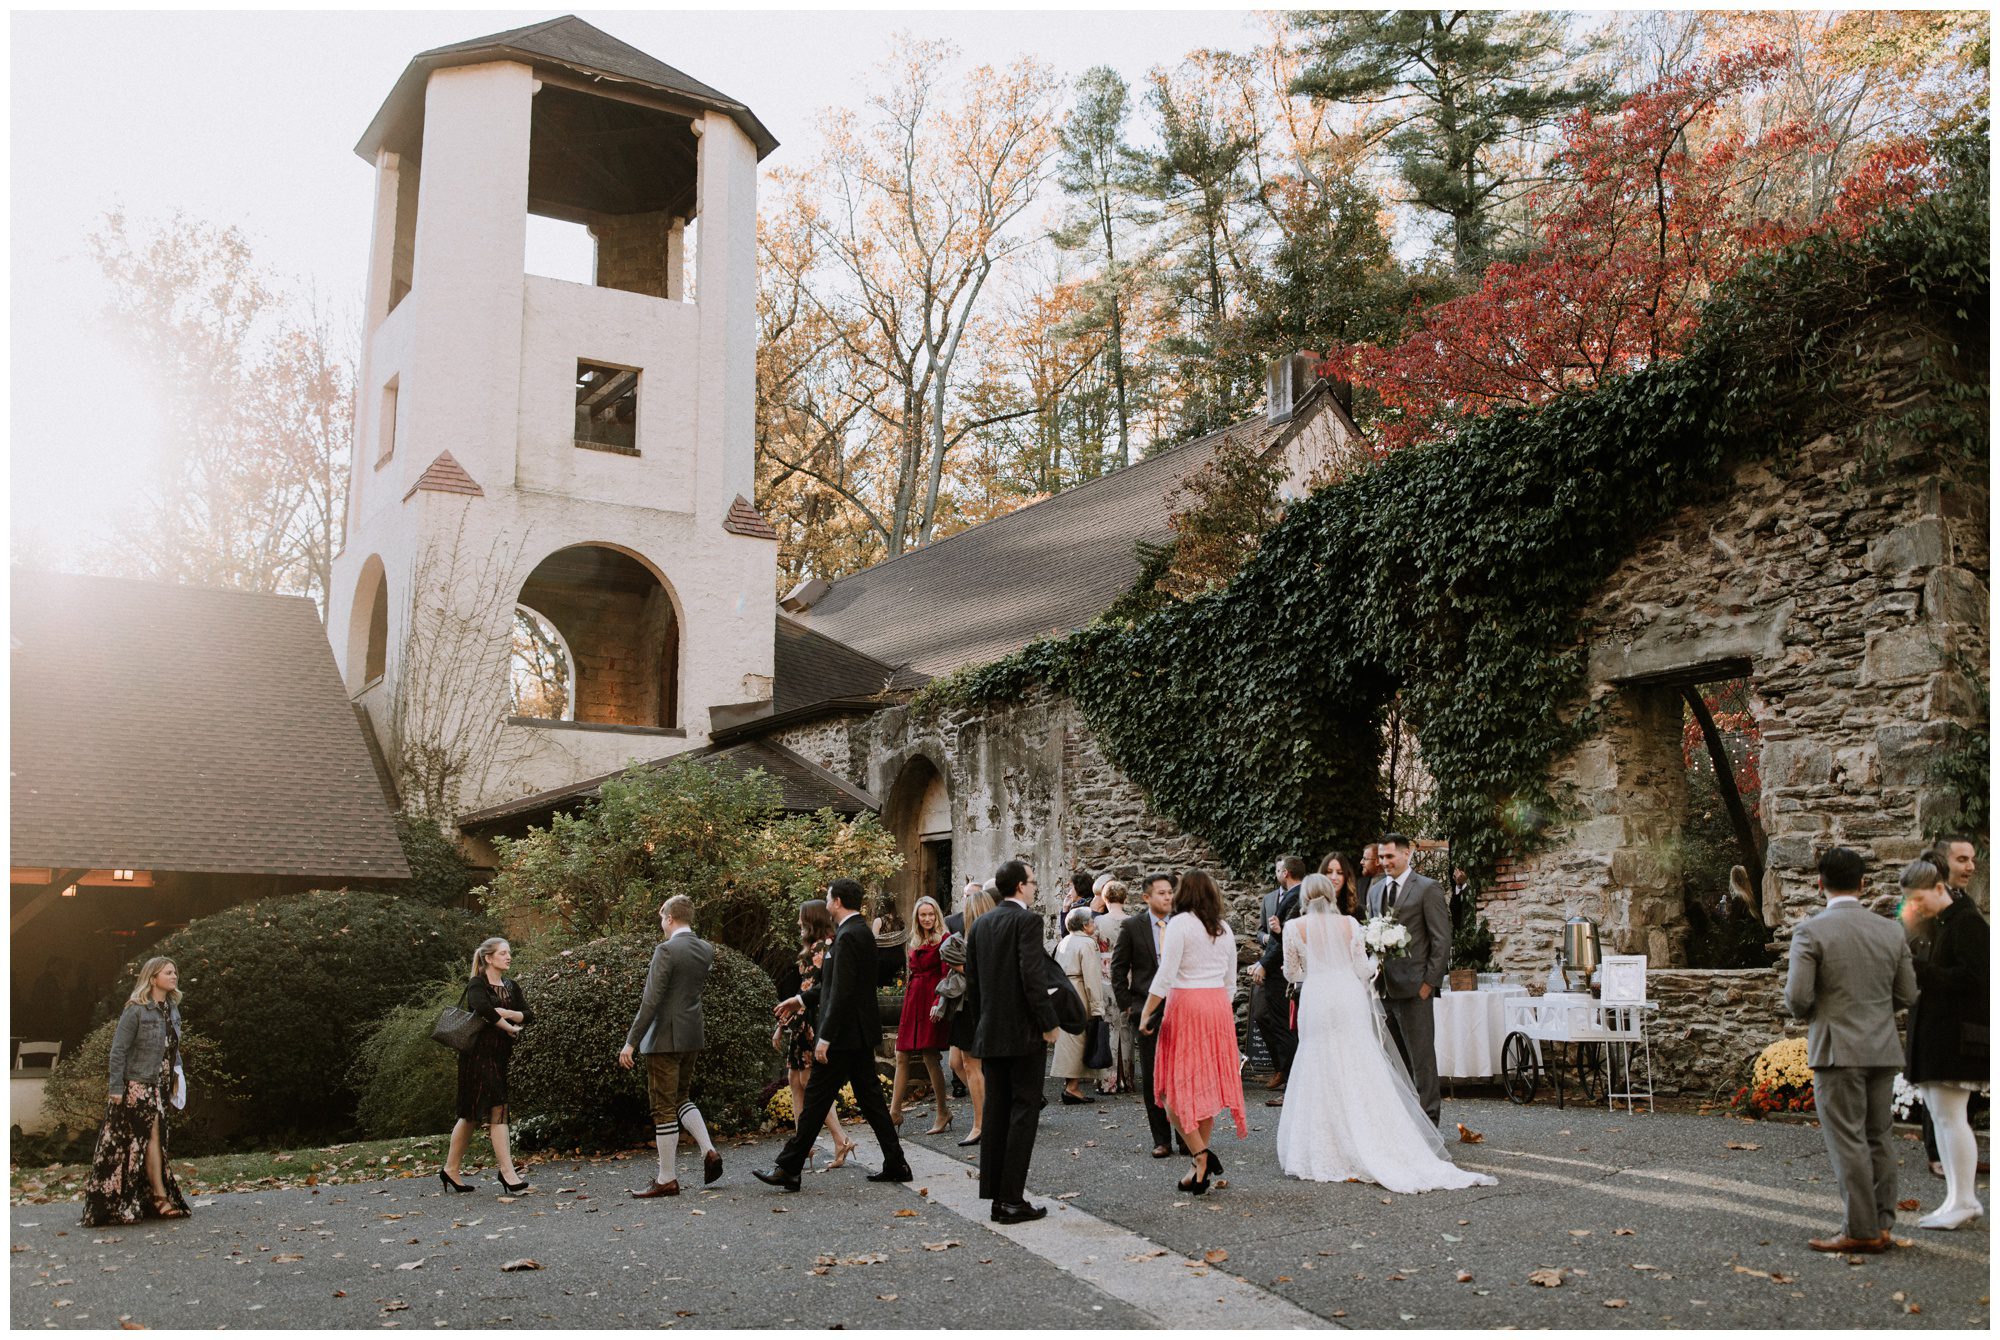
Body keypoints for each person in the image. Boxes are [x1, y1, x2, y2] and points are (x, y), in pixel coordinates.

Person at [1275, 875, 1497, 1192]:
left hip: (1317, 997)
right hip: (1348, 996)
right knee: (1357, 1060)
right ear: (1330, 895)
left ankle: (1327, 1144)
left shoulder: (1294, 929)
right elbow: (1362, 971)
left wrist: (1313, 969)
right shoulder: (1350, 925)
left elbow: (1291, 972)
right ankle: (1373, 1135)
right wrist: (1378, 956)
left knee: (1318, 1061)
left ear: (1306, 899)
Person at [1784, 847, 1917, 1254]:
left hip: (1836, 1050)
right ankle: (1882, 1224)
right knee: (1879, 1136)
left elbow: (1797, 998)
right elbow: (1908, 993)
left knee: (1848, 1140)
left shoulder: (1811, 931)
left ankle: (1860, 1230)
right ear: (1863, 884)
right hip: (1882, 1047)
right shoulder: (1892, 931)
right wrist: (1875, 1014)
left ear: (1819, 883)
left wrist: (1824, 1013)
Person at [756, 879, 912, 1193]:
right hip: (854, 1034)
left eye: (828, 897)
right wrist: (798, 1000)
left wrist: (824, 1037)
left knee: (816, 1100)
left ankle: (789, 1167)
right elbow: (830, 984)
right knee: (869, 1101)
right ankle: (896, 1163)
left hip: (844, 1035)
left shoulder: (850, 935)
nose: (826, 901)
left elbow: (842, 991)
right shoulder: (854, 932)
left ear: (837, 901)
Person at [1138, 869, 1247, 1196]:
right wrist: (1217, 1009)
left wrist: (1146, 1013)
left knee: (1172, 1090)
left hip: (1186, 1005)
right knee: (1208, 1087)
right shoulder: (1224, 928)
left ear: (1183, 893)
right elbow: (1231, 982)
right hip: (1217, 1007)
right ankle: (1199, 1166)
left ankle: (1200, 1155)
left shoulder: (1180, 924)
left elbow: (1165, 975)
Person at [964, 858, 1060, 1224]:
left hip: (990, 1031)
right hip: (1022, 1034)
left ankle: (996, 1197)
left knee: (996, 1113)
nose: (1035, 888)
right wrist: (1048, 1023)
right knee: (1023, 1113)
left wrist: (981, 1026)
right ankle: (1013, 1200)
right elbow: (1031, 977)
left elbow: (973, 985)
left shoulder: (982, 923)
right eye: (1033, 882)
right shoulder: (1027, 921)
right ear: (1020, 886)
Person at [1898, 858, 1988, 1229]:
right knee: (1941, 1117)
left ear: (1939, 889)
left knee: (1952, 1121)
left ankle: (1965, 1200)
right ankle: (1955, 1197)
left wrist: (1923, 970)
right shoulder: (1943, 924)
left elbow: (1978, 978)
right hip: (1938, 1036)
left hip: (1956, 1039)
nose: (1915, 907)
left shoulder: (1966, 923)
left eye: (1919, 899)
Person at [618, 896, 722, 1197]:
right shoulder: (706, 949)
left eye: (662, 918)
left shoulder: (666, 950)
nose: (661, 923)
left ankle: (666, 1178)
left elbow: (651, 1001)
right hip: (692, 1035)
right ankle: (708, 1150)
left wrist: (630, 1042)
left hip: (664, 1037)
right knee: (681, 1098)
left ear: (670, 918)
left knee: (663, 1107)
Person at [81, 957, 191, 1226]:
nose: (174, 976)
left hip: (161, 1084)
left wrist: (177, 1074)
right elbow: (118, 1051)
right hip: (138, 1085)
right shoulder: (136, 1010)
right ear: (153, 978)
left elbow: (171, 1047)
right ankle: (159, 1197)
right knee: (151, 1136)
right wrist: (116, 1088)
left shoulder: (172, 1009)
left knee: (148, 1141)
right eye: (168, 972)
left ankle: (145, 1197)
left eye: (175, 972)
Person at [1368, 834, 1450, 1126]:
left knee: (1422, 1060)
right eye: (1381, 857)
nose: (1384, 862)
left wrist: (1429, 983)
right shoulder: (1375, 890)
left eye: (1390, 856)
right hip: (1385, 988)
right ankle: (1405, 1124)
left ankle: (1430, 1123)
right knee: (1396, 1061)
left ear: (1406, 854)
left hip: (1417, 989)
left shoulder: (1427, 888)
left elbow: (1441, 940)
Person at [442, 938, 533, 1194]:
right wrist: (509, 1025)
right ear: (489, 958)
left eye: (509, 953)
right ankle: (508, 1173)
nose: (509, 957)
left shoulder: (511, 986)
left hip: (499, 1057)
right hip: (477, 1058)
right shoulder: (477, 983)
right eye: (504, 953)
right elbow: (482, 1008)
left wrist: (509, 1014)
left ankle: (450, 1169)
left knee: (470, 1115)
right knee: (498, 1108)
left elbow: (528, 1013)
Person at [773, 900, 856, 1170]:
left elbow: (816, 989)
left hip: (812, 1019)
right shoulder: (813, 948)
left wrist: (790, 1021)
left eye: (801, 918)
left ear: (811, 920)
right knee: (794, 1080)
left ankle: (840, 1138)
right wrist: (783, 1024)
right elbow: (803, 988)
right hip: (800, 1019)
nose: (798, 923)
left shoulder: (824, 947)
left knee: (809, 1082)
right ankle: (802, 1146)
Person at [1112, 873, 1184, 1159]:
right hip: (1146, 1010)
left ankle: (1186, 1137)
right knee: (1155, 1077)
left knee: (1180, 1076)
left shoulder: (1182, 923)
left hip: (1181, 1007)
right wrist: (1129, 1007)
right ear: (1146, 897)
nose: (1168, 897)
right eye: (1162, 893)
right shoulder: (1132, 926)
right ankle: (1162, 1140)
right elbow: (1118, 969)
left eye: (1170, 892)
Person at [891, 895, 954, 1134]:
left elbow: (947, 975)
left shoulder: (945, 939)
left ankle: (942, 1111)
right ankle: (894, 1113)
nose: (927, 918)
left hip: (932, 998)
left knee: (930, 1055)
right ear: (917, 918)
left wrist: (939, 1003)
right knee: (901, 1054)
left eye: (931, 914)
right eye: (923, 915)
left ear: (937, 915)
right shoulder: (915, 940)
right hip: (913, 1000)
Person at [1252, 855, 1308, 1099]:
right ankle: (1286, 1074)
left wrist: (1264, 964)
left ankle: (1291, 1082)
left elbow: (1286, 941)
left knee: (1286, 1027)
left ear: (1285, 872)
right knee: (1280, 1024)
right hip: (1281, 968)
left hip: (1283, 971)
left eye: (1278, 871)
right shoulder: (1280, 898)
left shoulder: (1295, 898)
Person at [944, 888, 995, 1148]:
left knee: (972, 1064)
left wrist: (958, 965)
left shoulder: (978, 936)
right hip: (975, 1004)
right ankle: (988, 1116)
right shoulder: (986, 934)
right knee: (958, 1061)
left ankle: (981, 1124)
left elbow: (976, 974)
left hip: (974, 1004)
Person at [1051, 907, 1107, 1103]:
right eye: (1091, 921)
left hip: (1064, 991)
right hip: (1079, 991)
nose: (1094, 923)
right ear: (1085, 925)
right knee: (1079, 1040)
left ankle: (1070, 1085)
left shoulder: (1063, 942)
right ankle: (1072, 1087)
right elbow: (1091, 977)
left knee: (1068, 1040)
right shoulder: (1087, 944)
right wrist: (1097, 1007)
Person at [1094, 881, 1132, 1095]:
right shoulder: (1132, 922)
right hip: (1127, 974)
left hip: (1104, 973)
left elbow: (1093, 949)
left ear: (1105, 899)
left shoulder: (1098, 922)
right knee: (1125, 1026)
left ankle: (1108, 1080)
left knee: (1109, 1024)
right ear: (1124, 898)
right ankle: (1126, 1078)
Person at [1320, 852, 1364, 917]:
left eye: (1339, 873)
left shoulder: (1357, 911)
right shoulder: (1310, 908)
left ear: (1346, 877)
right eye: (1329, 872)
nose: (1333, 877)